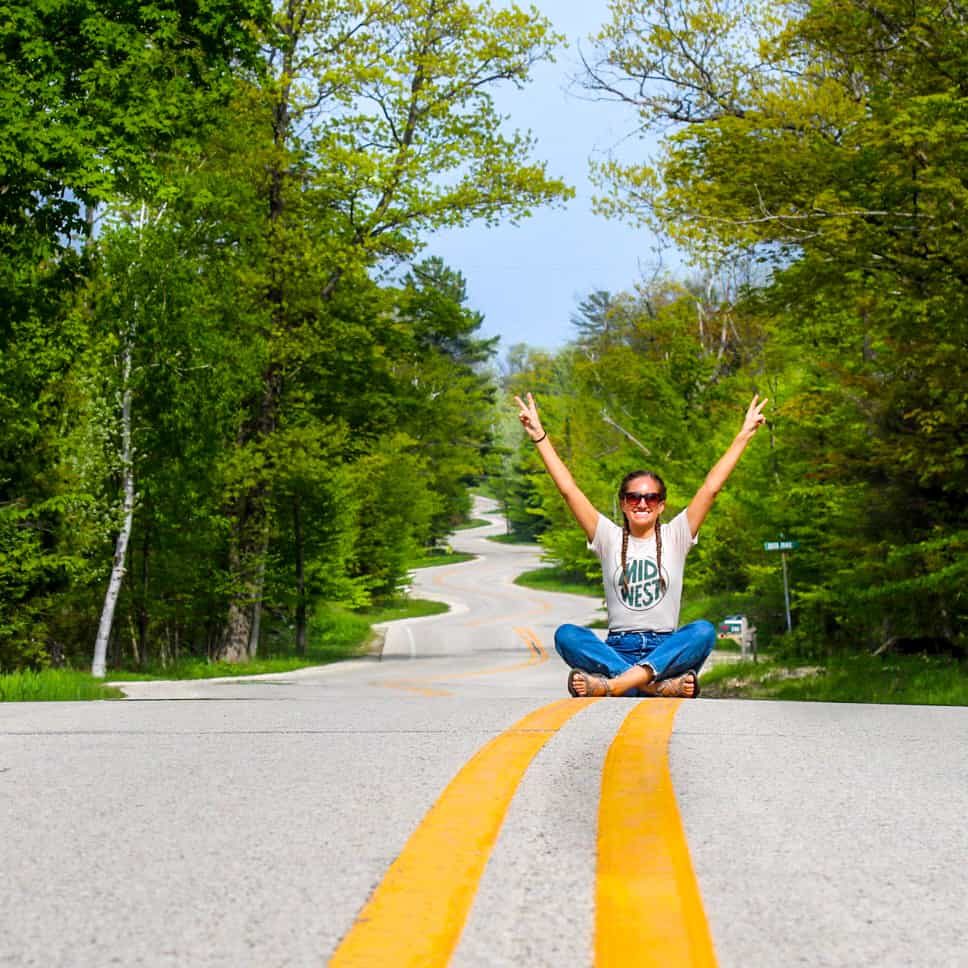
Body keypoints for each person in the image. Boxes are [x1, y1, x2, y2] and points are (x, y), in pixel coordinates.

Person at [513, 392, 768, 698]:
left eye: (651, 498)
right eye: (634, 497)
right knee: (566, 635)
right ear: (623, 503)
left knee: (702, 631)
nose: (642, 503)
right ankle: (656, 687)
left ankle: (615, 686)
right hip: (618, 649)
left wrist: (743, 436)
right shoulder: (607, 536)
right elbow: (569, 490)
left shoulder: (676, 535)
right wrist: (540, 436)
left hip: (666, 649)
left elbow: (711, 488)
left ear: (662, 505)